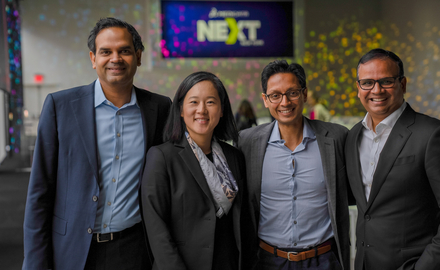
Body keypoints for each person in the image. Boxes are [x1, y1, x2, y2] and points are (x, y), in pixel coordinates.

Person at [23, 17, 172, 270]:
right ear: (93, 59)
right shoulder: (60, 107)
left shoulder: (159, 108)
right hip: (73, 251)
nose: (116, 58)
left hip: (135, 251)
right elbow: (39, 193)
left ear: (138, 56)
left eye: (124, 51)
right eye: (106, 52)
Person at [345, 48, 440, 270]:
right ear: (358, 88)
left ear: (403, 84)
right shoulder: (352, 137)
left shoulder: (434, 135)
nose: (376, 90)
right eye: (367, 82)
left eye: (386, 81)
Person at [238, 60, 350, 270]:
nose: (285, 102)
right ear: (265, 100)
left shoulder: (336, 138)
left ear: (305, 94)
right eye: (275, 95)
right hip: (268, 260)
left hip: (324, 259)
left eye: (292, 93)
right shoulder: (246, 142)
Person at [141, 71, 246, 270]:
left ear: (222, 109)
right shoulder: (162, 157)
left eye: (211, 102)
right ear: (180, 109)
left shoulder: (234, 157)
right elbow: (156, 228)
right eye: (194, 102)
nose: (202, 110)